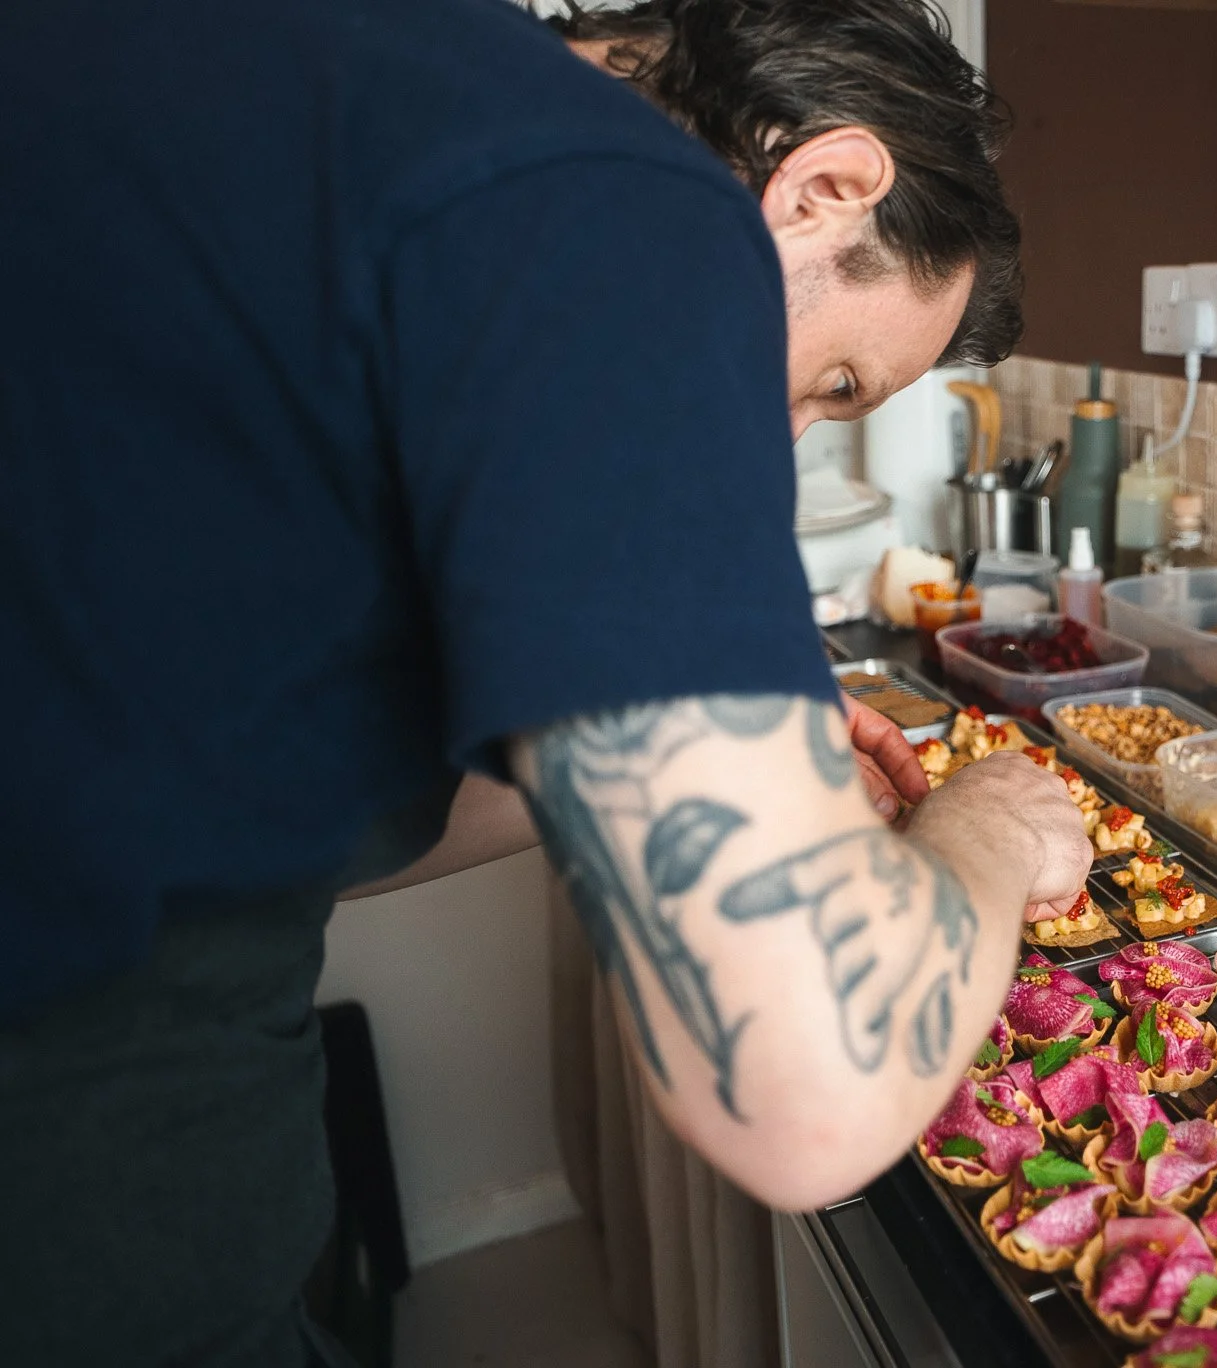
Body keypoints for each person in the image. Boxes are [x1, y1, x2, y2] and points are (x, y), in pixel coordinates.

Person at [0, 1, 1089, 1364]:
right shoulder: (626, 207)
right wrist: (990, 829)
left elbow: (203, 813)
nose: (781, 434)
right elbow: (812, 1087)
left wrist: (636, 769)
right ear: (824, 186)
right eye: (833, 380)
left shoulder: (325, 91)